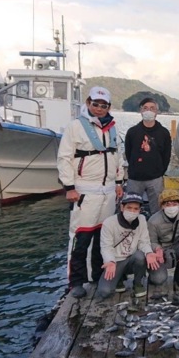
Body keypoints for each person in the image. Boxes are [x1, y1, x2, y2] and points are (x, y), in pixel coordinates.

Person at [58, 86, 124, 299]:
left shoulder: (112, 128)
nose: (99, 108)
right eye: (95, 104)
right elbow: (64, 157)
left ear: (109, 107)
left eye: (103, 105)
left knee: (102, 238)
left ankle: (97, 274)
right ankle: (76, 281)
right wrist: (69, 187)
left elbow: (117, 156)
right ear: (88, 103)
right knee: (80, 237)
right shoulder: (75, 127)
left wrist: (120, 181)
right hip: (84, 191)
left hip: (108, 192)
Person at [96, 193, 162, 300]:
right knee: (105, 292)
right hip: (115, 261)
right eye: (129, 208)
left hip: (132, 258)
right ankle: (119, 279)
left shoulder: (141, 219)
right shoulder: (109, 223)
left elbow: (143, 241)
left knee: (141, 256)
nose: (132, 211)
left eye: (136, 209)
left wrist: (149, 253)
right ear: (122, 207)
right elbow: (106, 247)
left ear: (140, 210)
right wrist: (110, 261)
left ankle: (138, 283)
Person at [124, 97, 171, 215]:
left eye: (152, 108)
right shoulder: (132, 132)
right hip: (135, 178)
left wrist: (160, 171)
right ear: (141, 111)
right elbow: (128, 153)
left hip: (155, 178)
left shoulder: (164, 133)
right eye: (145, 108)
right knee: (131, 210)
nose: (148, 110)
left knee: (157, 210)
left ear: (157, 112)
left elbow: (166, 155)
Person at [147, 189, 179, 289]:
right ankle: (152, 275)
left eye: (175, 203)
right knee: (158, 279)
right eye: (167, 204)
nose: (171, 207)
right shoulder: (153, 221)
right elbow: (151, 241)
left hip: (176, 243)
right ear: (162, 206)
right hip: (161, 248)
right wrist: (157, 249)